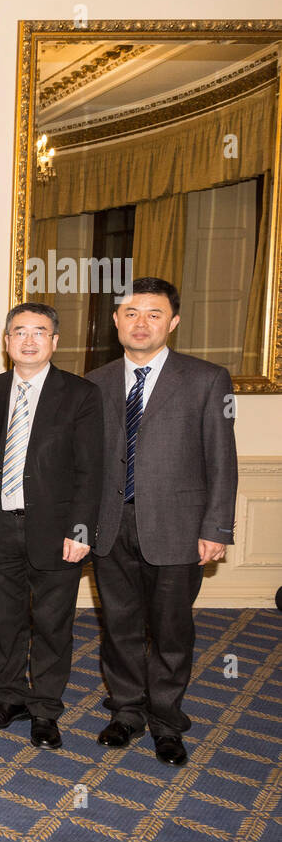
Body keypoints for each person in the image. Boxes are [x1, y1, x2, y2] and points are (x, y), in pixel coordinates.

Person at [86, 277, 237, 766]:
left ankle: (167, 722)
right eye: (131, 312)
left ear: (172, 322)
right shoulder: (96, 381)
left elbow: (222, 459)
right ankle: (126, 711)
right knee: (120, 627)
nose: (141, 323)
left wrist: (217, 528)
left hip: (177, 527)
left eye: (153, 314)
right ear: (116, 321)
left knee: (171, 631)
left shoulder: (206, 379)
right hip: (111, 526)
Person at [0, 302, 102, 749]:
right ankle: (9, 698)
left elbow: (91, 471)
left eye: (39, 332)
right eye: (19, 332)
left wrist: (81, 530)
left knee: (53, 624)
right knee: (7, 621)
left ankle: (46, 709)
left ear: (55, 341)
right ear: (6, 341)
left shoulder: (81, 395)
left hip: (58, 531)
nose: (28, 340)